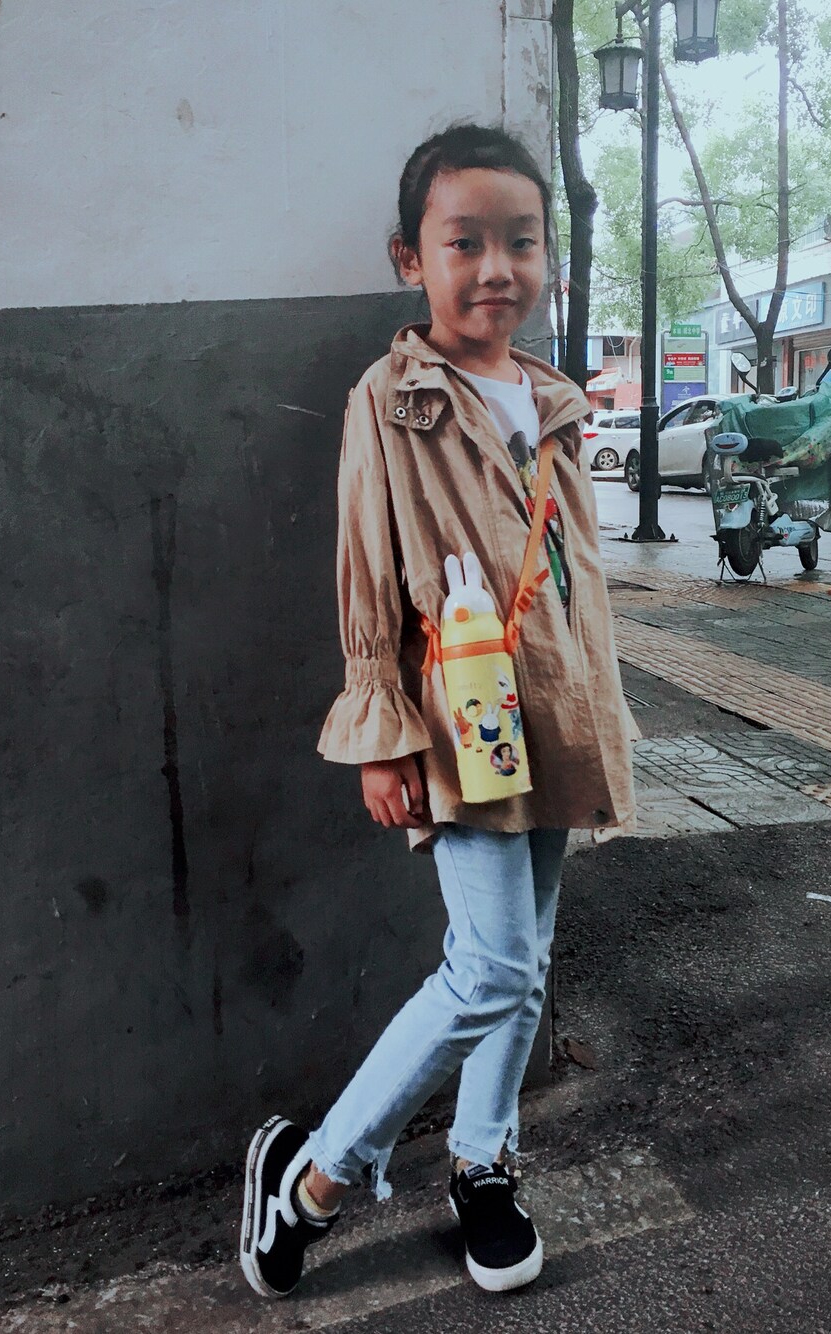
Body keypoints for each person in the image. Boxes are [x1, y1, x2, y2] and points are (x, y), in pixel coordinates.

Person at [239, 122, 638, 1301]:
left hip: (554, 708)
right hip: (460, 720)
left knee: (525, 957)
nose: (496, 267)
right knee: (493, 966)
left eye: (521, 241)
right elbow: (366, 567)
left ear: (547, 258)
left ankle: (482, 1159)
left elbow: (576, 580)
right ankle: (314, 1176)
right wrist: (382, 733)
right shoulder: (393, 396)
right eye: (464, 241)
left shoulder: (553, 400)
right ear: (410, 257)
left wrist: (602, 708)